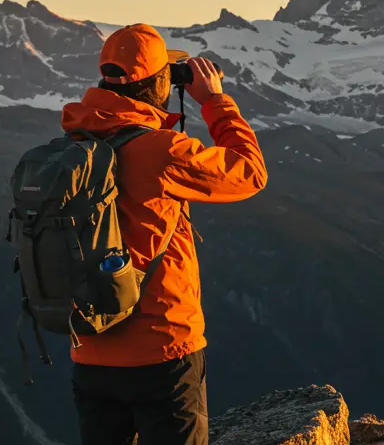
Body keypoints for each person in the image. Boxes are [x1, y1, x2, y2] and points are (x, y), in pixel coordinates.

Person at [58, 23, 267, 445]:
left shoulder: (73, 143)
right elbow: (250, 172)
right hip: (162, 350)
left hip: (91, 347)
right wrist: (214, 102)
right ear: (158, 84)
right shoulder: (163, 150)